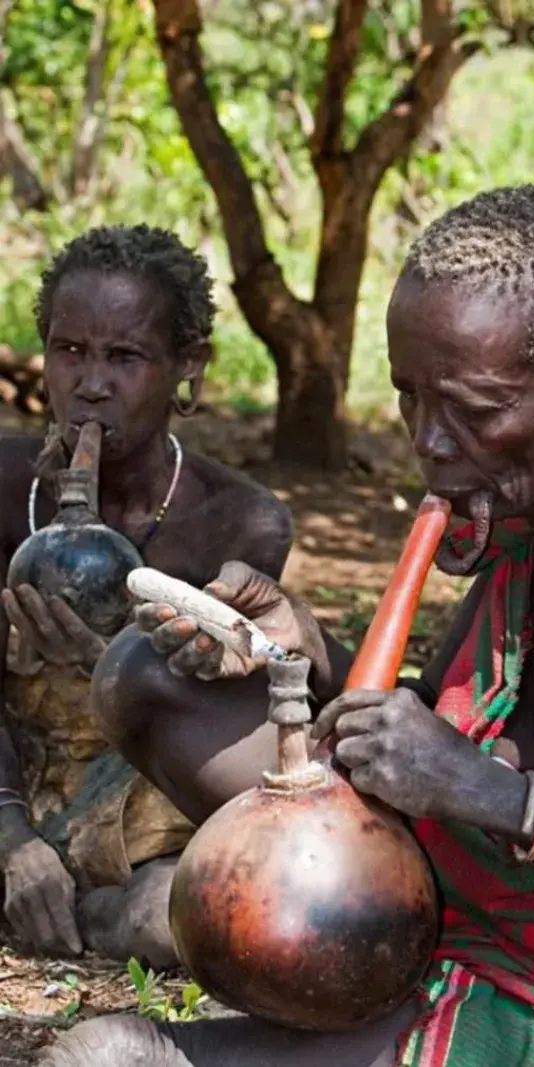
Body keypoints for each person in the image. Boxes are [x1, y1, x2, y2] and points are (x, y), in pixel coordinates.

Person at [45, 184, 534, 1066]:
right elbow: (427, 727)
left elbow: (473, 774)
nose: (431, 442)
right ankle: (299, 953)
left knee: (109, 1055)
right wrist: (307, 651)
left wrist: (496, 795)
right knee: (149, 673)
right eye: (410, 398)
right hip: (438, 906)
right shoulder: (523, 523)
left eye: (477, 410)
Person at [0, 224, 293, 968]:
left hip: (146, 809)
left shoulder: (236, 518)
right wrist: (11, 839)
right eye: (70, 351)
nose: (91, 384)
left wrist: (118, 665)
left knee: (189, 914)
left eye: (124, 357)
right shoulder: (6, 489)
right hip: (6, 783)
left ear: (187, 366)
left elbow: (224, 723)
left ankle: (93, 911)